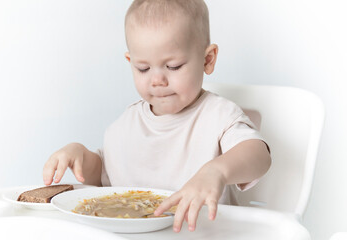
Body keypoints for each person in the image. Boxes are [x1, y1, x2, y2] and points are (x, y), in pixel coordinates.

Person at [43, 0, 271, 233]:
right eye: (143, 68)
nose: (157, 80)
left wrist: (217, 171)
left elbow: (258, 155)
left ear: (207, 60)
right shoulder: (126, 124)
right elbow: (103, 177)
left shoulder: (219, 115)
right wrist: (79, 155)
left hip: (205, 234)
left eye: (173, 66)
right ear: (130, 63)